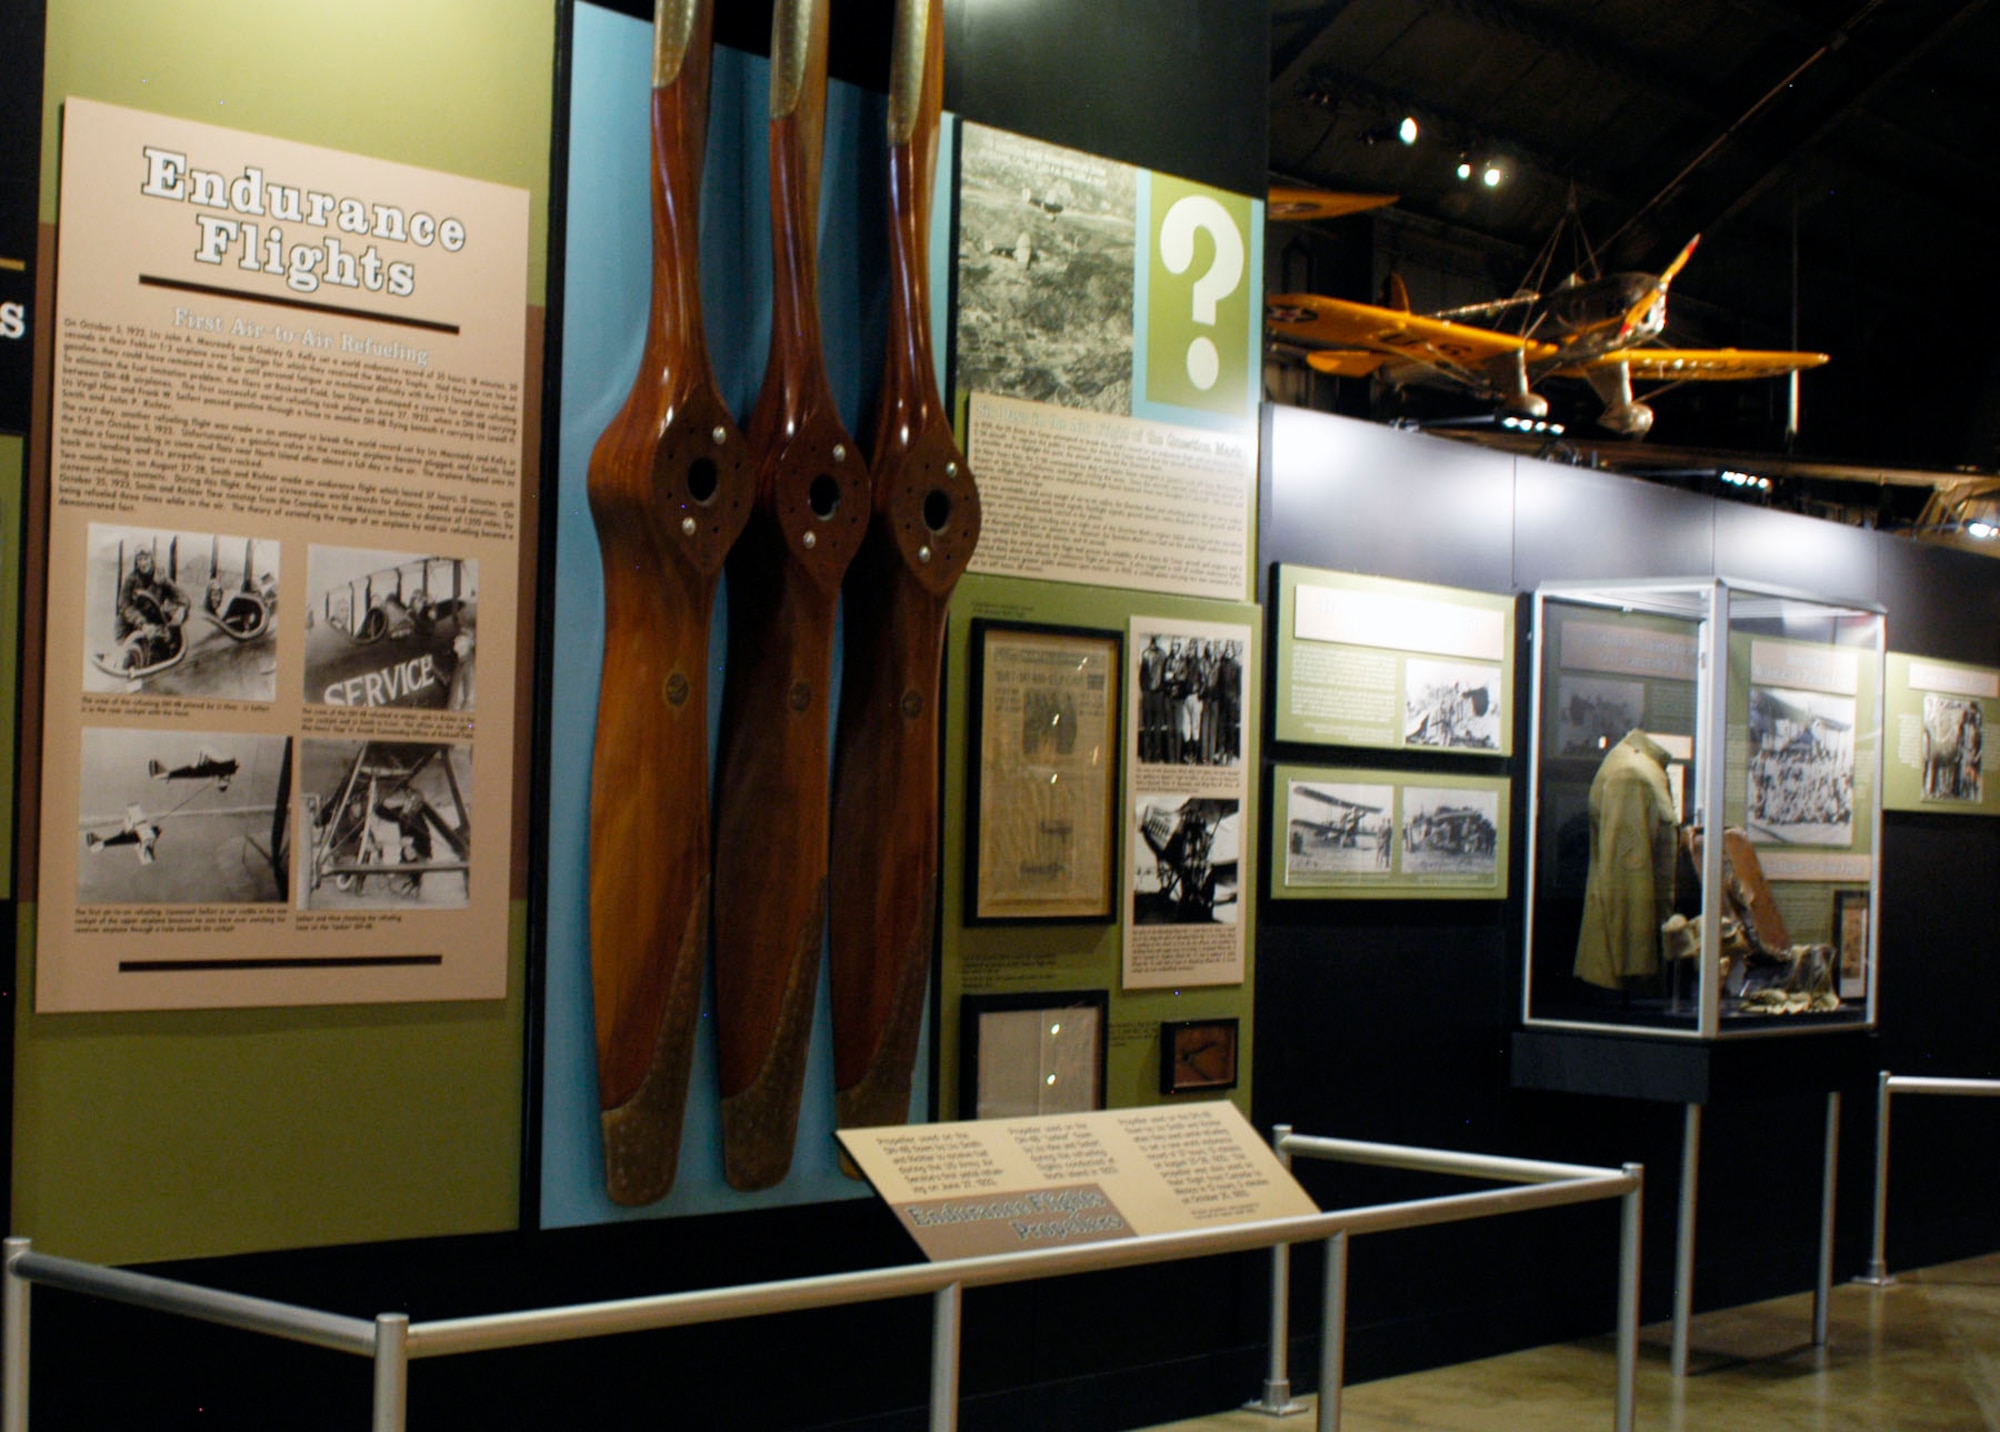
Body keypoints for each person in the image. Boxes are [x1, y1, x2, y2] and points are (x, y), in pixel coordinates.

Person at [447, 626, 477, 713]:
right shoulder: (461, 662)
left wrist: (459, 720)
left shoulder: (470, 665)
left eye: (459, 638)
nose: (455, 640)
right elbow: (456, 683)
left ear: (467, 643)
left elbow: (470, 699)